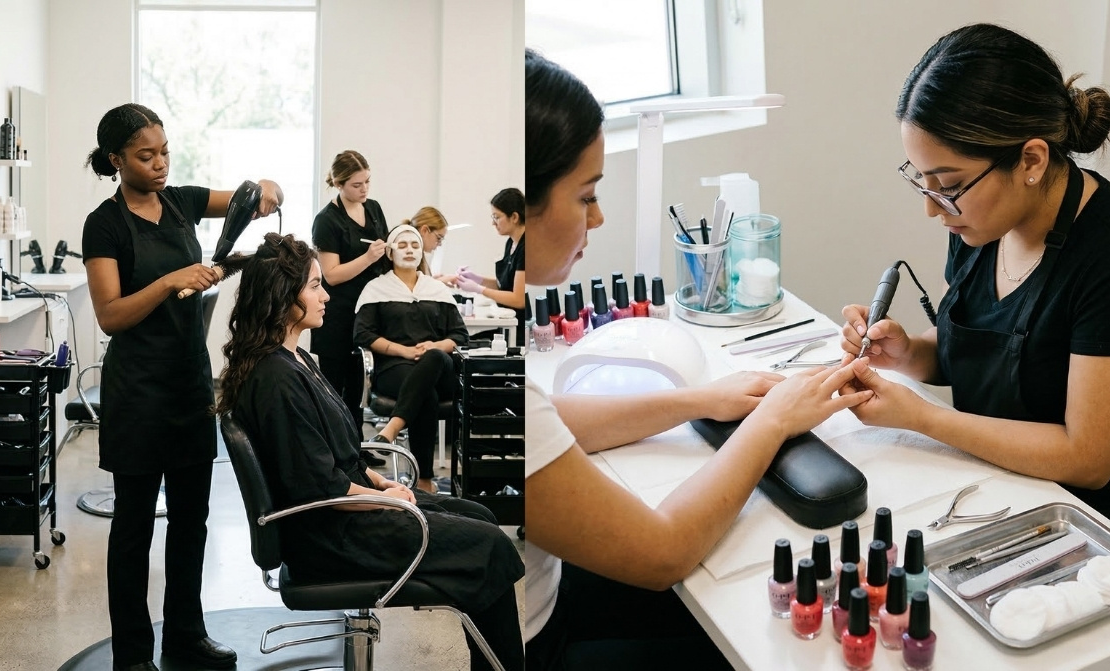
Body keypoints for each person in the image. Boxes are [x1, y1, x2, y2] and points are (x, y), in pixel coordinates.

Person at [523, 50, 871, 670]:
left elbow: (549, 421)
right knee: (750, 638)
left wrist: (698, 402)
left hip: (533, 595)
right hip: (525, 645)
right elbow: (661, 554)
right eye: (586, 195)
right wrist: (770, 423)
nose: (597, 218)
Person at [837, 24, 1110, 526]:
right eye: (921, 182)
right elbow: (972, 352)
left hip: (1082, 522)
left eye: (946, 184)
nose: (934, 210)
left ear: (1031, 160)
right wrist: (909, 355)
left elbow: (1090, 459)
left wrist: (923, 419)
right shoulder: (979, 218)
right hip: (989, 487)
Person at [217, 232, 523, 671]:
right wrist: (384, 499)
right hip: (328, 537)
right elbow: (316, 485)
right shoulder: (276, 380)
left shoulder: (294, 360)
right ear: (284, 296)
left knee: (481, 516)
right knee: (489, 546)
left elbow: (333, 452)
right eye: (315, 286)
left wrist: (378, 481)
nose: (326, 295)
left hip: (339, 512)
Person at [81, 102, 283, 671]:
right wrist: (170, 281)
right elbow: (111, 315)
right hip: (138, 392)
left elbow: (250, 196)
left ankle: (186, 636)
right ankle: (133, 656)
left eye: (165, 151)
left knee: (193, 520)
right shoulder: (105, 224)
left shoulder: (183, 201)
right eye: (146, 156)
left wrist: (266, 189)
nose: (160, 163)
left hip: (190, 384)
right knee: (134, 529)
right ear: (117, 160)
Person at [353, 224, 468, 494]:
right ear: (390, 253)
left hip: (440, 369)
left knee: (436, 357)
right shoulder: (376, 289)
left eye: (415, 245)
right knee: (423, 396)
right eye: (402, 245)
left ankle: (393, 427)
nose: (410, 250)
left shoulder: (436, 289)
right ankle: (425, 480)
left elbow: (460, 336)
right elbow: (362, 334)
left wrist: (435, 345)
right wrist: (403, 351)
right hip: (395, 367)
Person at [311, 149, 390, 436]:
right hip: (337, 313)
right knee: (335, 387)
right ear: (338, 183)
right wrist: (368, 257)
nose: (364, 189)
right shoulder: (327, 221)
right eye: (357, 185)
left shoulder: (374, 208)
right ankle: (335, 450)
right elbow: (331, 274)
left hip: (367, 310)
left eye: (367, 181)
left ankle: (356, 448)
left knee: (360, 386)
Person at [449, 188, 527, 346]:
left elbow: (518, 299)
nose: (493, 223)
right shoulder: (511, 243)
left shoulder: (526, 247)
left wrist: (478, 289)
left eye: (497, 217)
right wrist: (477, 279)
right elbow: (503, 286)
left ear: (514, 217)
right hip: (505, 321)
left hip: (518, 327)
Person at [407, 205, 449, 276]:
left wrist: (437, 281)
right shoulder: (409, 256)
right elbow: (413, 286)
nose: (440, 244)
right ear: (424, 230)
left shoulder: (419, 255)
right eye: (439, 238)